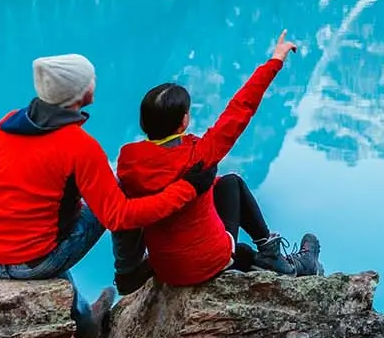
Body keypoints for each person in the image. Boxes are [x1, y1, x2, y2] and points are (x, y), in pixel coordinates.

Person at [0, 52, 208, 338]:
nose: (95, 82)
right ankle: (129, 269)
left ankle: (84, 322)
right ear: (81, 92)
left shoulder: (7, 123)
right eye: (91, 79)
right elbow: (118, 216)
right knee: (121, 185)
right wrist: (187, 189)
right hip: (34, 262)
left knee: (69, 205)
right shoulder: (79, 146)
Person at [112, 31, 323, 294]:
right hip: (208, 261)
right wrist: (275, 59)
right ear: (183, 122)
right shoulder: (199, 154)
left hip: (166, 268)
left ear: (144, 124)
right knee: (231, 183)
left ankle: (258, 258)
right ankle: (273, 255)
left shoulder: (129, 163)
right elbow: (241, 108)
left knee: (218, 193)